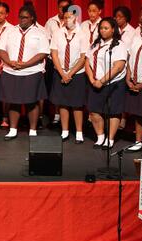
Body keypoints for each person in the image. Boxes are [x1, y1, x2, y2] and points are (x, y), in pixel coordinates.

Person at [0, 3, 50, 140]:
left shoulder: (40, 33)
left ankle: (32, 130)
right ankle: (13, 129)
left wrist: (26, 64)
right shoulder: (10, 31)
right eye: (20, 17)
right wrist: (9, 62)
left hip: (31, 72)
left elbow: (43, 53)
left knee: (31, 101)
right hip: (11, 71)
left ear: (32, 18)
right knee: (13, 101)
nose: (22, 20)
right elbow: (1, 49)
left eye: (26, 17)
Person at [85, 17, 127, 149]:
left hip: (113, 82)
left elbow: (118, 66)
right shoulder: (95, 44)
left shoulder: (119, 45)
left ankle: (110, 139)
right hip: (95, 81)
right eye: (101, 28)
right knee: (93, 110)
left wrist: (102, 81)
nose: (103, 31)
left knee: (113, 111)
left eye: (106, 28)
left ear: (113, 29)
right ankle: (100, 136)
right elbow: (87, 62)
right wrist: (92, 79)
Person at [50, 5, 87, 144]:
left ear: (75, 17)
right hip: (60, 72)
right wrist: (62, 73)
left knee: (77, 104)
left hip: (76, 73)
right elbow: (54, 53)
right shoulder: (58, 33)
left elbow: (83, 57)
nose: (67, 20)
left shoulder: (82, 34)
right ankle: (65, 131)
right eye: (65, 17)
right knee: (63, 103)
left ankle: (78, 132)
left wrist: (70, 73)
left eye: (70, 17)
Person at [125, 13, 142, 155]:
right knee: (137, 113)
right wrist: (128, 78)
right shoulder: (136, 40)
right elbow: (130, 60)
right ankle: (138, 141)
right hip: (134, 81)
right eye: (141, 23)